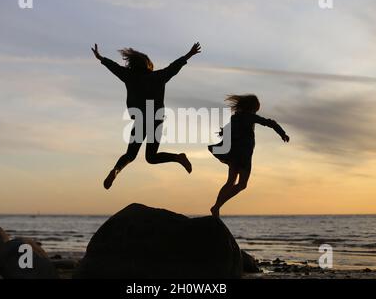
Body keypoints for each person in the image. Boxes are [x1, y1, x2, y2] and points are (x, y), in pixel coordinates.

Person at [91, 42, 201, 189]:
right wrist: (189, 54)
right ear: (148, 64)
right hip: (156, 120)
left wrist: (101, 58)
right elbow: (174, 67)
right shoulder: (159, 76)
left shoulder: (130, 76)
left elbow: (115, 68)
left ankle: (116, 170)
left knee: (130, 155)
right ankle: (178, 157)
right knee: (151, 157)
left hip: (141, 120)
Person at [208, 94, 290, 217]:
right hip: (244, 154)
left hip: (234, 154)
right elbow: (269, 123)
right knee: (242, 184)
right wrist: (282, 133)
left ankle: (216, 207)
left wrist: (223, 132)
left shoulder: (235, 117)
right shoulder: (250, 117)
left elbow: (228, 130)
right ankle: (216, 206)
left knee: (230, 182)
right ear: (253, 106)